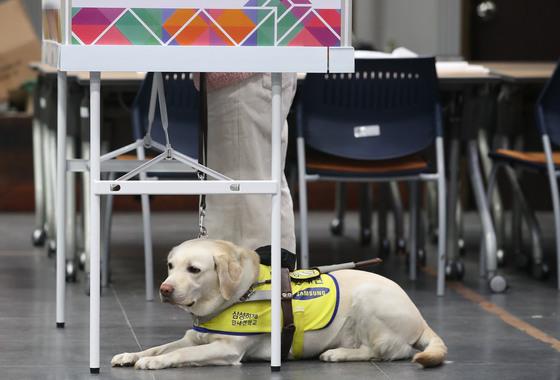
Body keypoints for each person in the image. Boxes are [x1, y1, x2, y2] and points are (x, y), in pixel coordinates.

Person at [195, 73, 298, 253]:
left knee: (241, 195)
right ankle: (277, 275)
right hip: (252, 77)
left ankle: (257, 277)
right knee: (262, 184)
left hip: (243, 77)